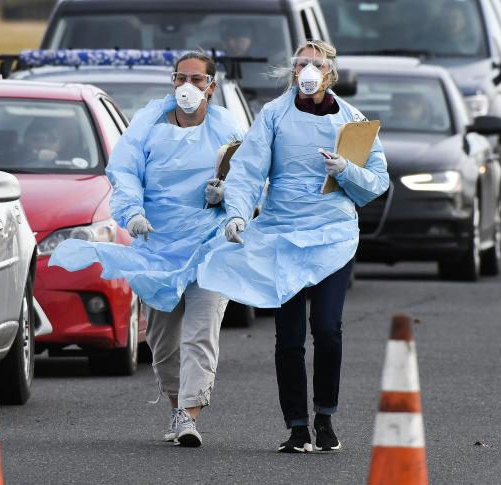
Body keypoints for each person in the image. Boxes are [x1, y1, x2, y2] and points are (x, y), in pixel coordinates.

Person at [199, 40, 389, 453]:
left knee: (327, 328)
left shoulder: (352, 122)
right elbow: (249, 169)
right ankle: (297, 427)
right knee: (288, 337)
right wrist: (237, 212)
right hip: (281, 234)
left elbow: (377, 180)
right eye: (301, 63)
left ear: (329, 72)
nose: (308, 70)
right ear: (293, 70)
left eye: (316, 64)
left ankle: (325, 418)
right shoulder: (273, 116)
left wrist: (347, 170)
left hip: (332, 235)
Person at [49, 52, 245, 447]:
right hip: (157, 247)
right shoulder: (148, 126)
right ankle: (177, 406)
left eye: (196, 79)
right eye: (180, 78)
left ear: (212, 84)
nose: (186, 87)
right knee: (163, 338)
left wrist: (229, 201)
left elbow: (247, 175)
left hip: (208, 247)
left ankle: (190, 414)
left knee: (200, 332)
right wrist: (132, 214)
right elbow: (125, 173)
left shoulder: (227, 127)